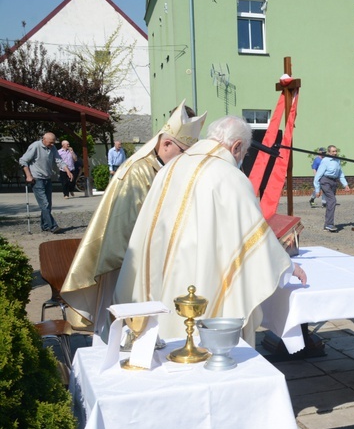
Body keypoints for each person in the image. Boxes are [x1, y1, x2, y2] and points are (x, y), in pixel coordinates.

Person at [115, 115, 307, 345]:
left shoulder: (170, 167)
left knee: (165, 331)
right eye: (243, 154)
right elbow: (254, 238)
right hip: (200, 276)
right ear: (236, 147)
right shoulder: (229, 176)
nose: (240, 159)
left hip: (159, 271)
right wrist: (287, 266)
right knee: (198, 335)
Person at [61, 102, 207, 335]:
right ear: (167, 143)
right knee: (127, 330)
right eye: (183, 153)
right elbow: (127, 226)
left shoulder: (163, 168)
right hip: (128, 263)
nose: (185, 159)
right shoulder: (138, 171)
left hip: (155, 259)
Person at [19, 132, 73, 233]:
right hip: (36, 179)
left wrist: (68, 171)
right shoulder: (35, 146)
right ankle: (53, 226)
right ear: (43, 139)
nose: (52, 145)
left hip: (47, 178)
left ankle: (45, 225)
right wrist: (28, 175)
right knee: (45, 204)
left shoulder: (52, 148)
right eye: (50, 143)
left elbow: (59, 161)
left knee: (48, 204)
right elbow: (23, 161)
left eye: (53, 143)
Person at [313, 145, 350, 232]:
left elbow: (340, 173)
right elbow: (317, 176)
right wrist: (317, 190)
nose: (335, 153)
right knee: (332, 200)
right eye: (333, 151)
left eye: (336, 151)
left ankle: (326, 225)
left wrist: (345, 184)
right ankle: (330, 224)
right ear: (329, 152)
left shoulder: (337, 161)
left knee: (330, 203)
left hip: (333, 182)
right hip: (325, 181)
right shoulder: (325, 161)